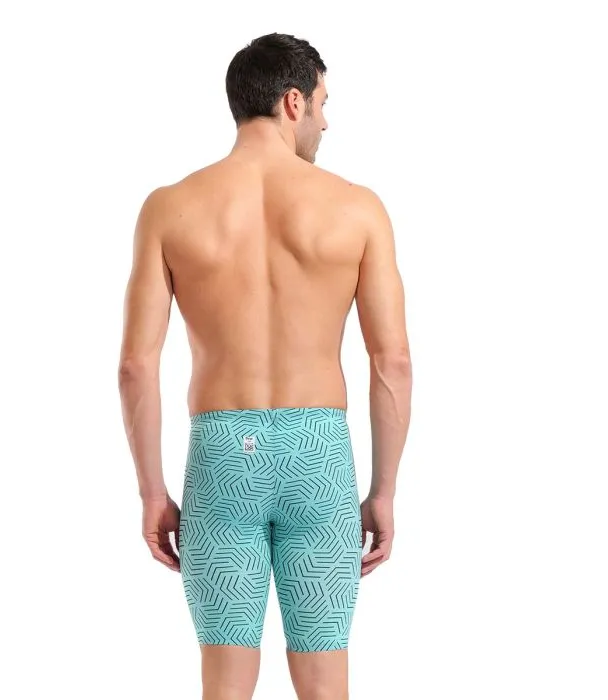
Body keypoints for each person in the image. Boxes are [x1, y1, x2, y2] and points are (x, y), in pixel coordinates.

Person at [118, 32, 412, 700]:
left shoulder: (168, 208)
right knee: (325, 682)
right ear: (292, 101)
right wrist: (384, 490)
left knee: (224, 686)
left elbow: (136, 365)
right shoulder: (358, 208)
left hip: (223, 457)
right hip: (319, 457)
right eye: (323, 104)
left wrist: (152, 492)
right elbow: (391, 361)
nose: (325, 122)